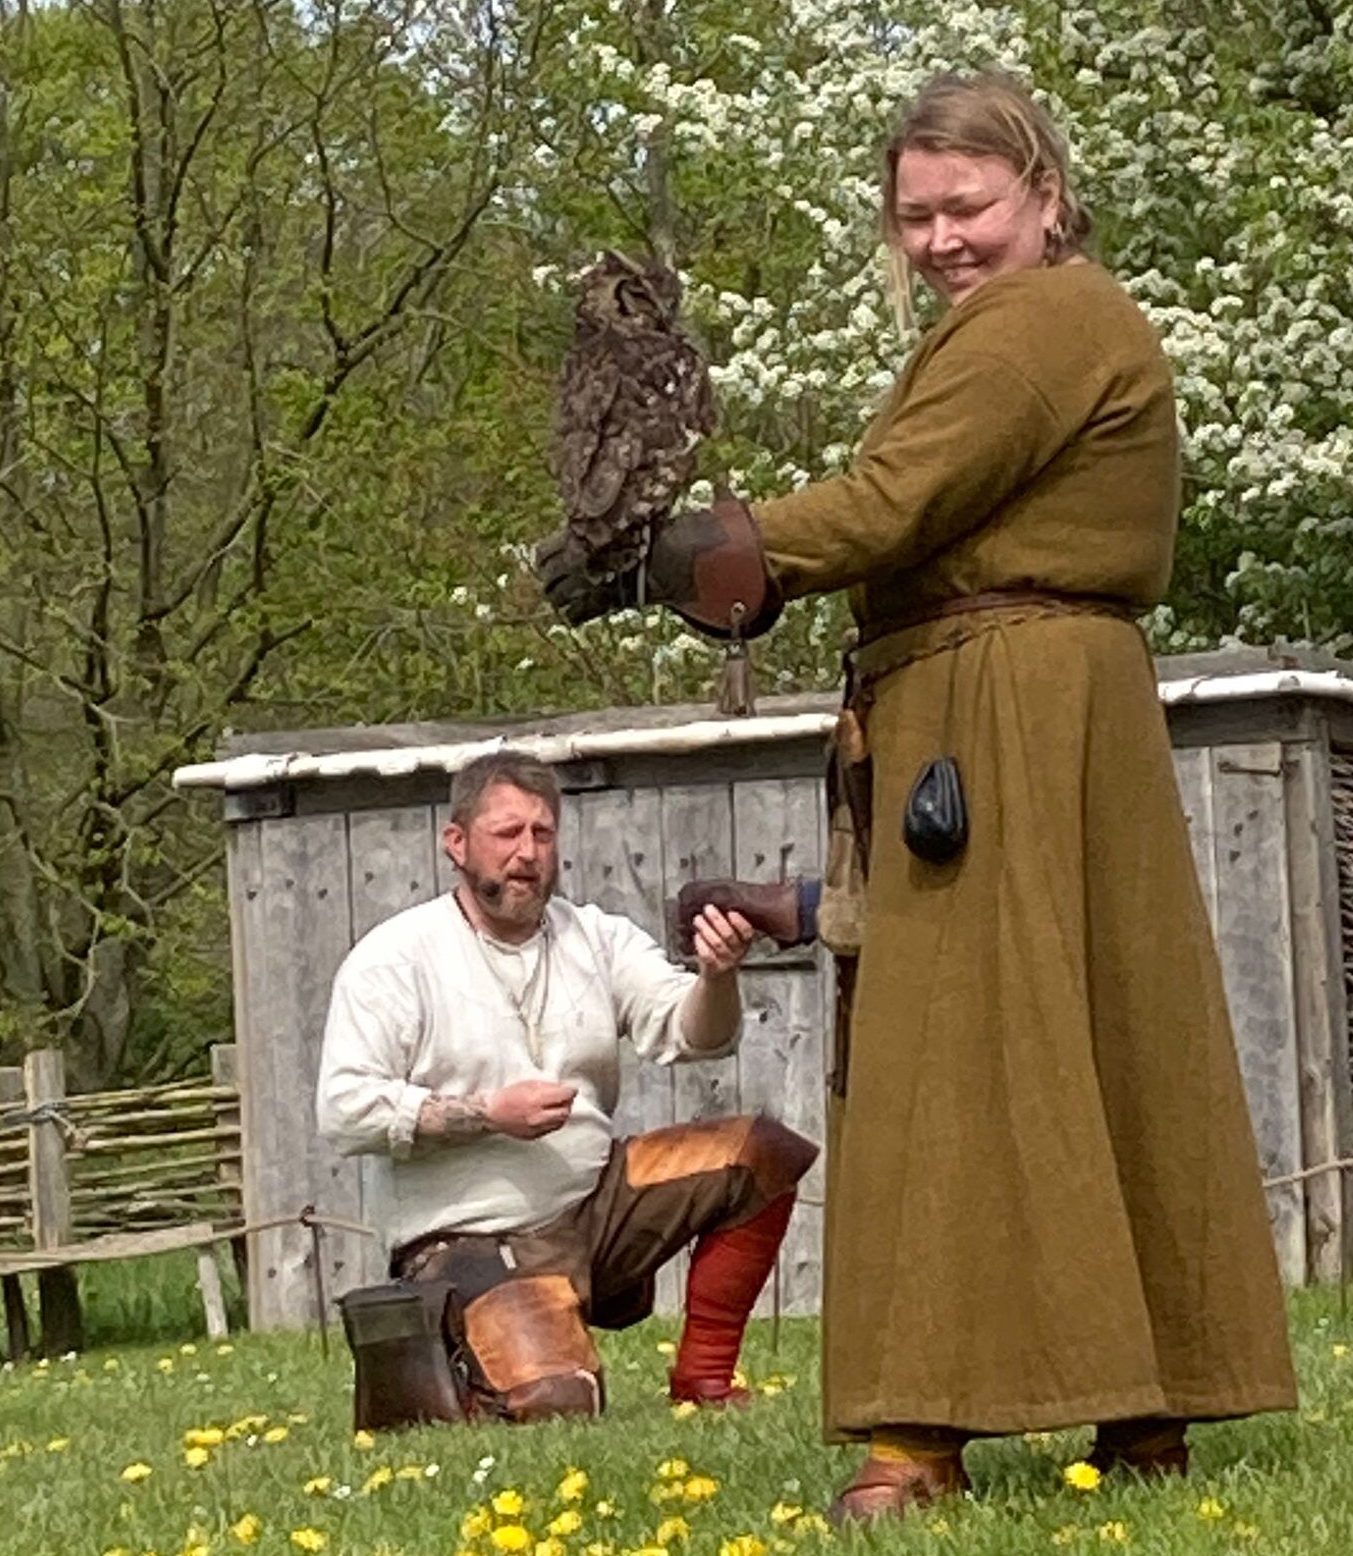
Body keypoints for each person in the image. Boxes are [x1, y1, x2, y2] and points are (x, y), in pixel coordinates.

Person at [537, 71, 1297, 1519]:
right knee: (1080, 1044)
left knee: (953, 1055)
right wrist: (728, 568)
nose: (940, 240)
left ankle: (922, 1440)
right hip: (1011, 697)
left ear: (1044, 195)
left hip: (1007, 706)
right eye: (914, 218)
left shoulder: (1039, 323)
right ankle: (1138, 1413)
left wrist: (687, 548)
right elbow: (914, 520)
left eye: (967, 207)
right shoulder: (1030, 323)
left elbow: (887, 506)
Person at [316, 750, 818, 1425]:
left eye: (542, 833)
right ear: (457, 844)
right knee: (559, 1402)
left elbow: (695, 1034)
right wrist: (486, 1115)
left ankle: (704, 1379)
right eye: (506, 834)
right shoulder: (394, 960)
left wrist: (718, 976)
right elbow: (345, 1109)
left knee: (764, 1152)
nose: (526, 853)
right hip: (468, 1238)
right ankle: (450, 1360)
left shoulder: (596, 937)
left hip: (595, 1204)